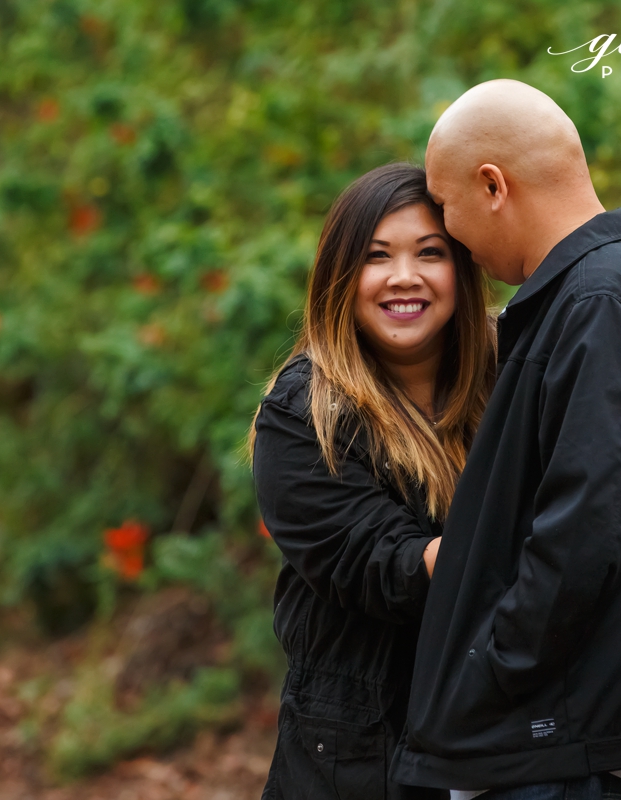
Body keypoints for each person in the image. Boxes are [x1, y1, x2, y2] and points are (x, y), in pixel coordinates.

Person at [389, 81, 621, 800]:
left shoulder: (601, 301)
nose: (453, 239)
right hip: (568, 738)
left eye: (447, 211)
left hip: (566, 752)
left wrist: (493, 668)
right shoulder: (603, 295)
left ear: (492, 186)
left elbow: (589, 522)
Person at [250, 162, 495, 800]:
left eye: (430, 253)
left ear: (462, 270)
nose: (404, 277)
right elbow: (380, 565)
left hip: (495, 742)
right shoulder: (305, 413)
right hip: (356, 761)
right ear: (340, 276)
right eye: (376, 256)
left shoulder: (511, 383)